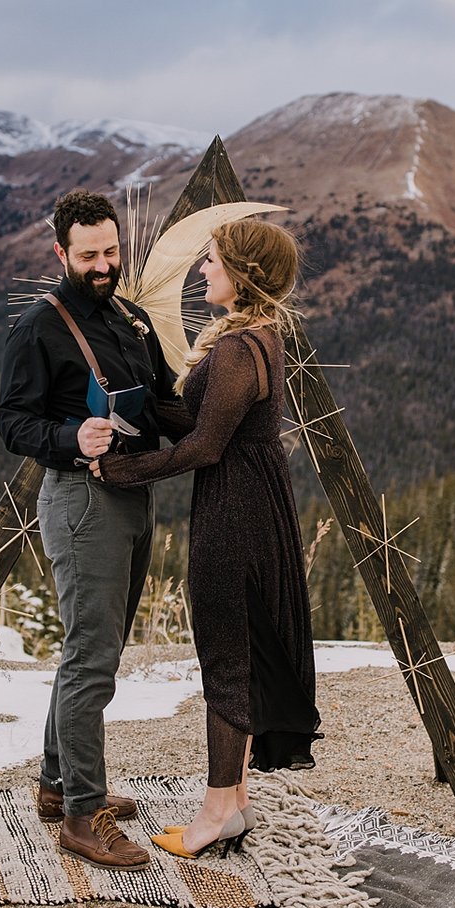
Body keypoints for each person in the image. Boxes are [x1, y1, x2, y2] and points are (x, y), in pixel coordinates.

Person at [91, 218, 321, 858]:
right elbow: (196, 415)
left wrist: (124, 467)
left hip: (234, 512)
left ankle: (216, 811)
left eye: (212, 260)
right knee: (238, 650)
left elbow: (204, 444)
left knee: (224, 656)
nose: (202, 271)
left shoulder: (239, 348)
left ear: (242, 272)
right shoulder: (257, 339)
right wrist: (136, 392)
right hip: (253, 502)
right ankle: (236, 804)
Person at [0, 189, 179, 870]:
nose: (104, 265)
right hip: (79, 502)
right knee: (91, 661)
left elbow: (161, 401)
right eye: (89, 255)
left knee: (92, 650)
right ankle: (82, 815)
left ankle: (57, 783)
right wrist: (73, 435)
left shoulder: (131, 319)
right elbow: (12, 424)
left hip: (133, 499)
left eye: (111, 251)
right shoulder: (38, 328)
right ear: (61, 254)